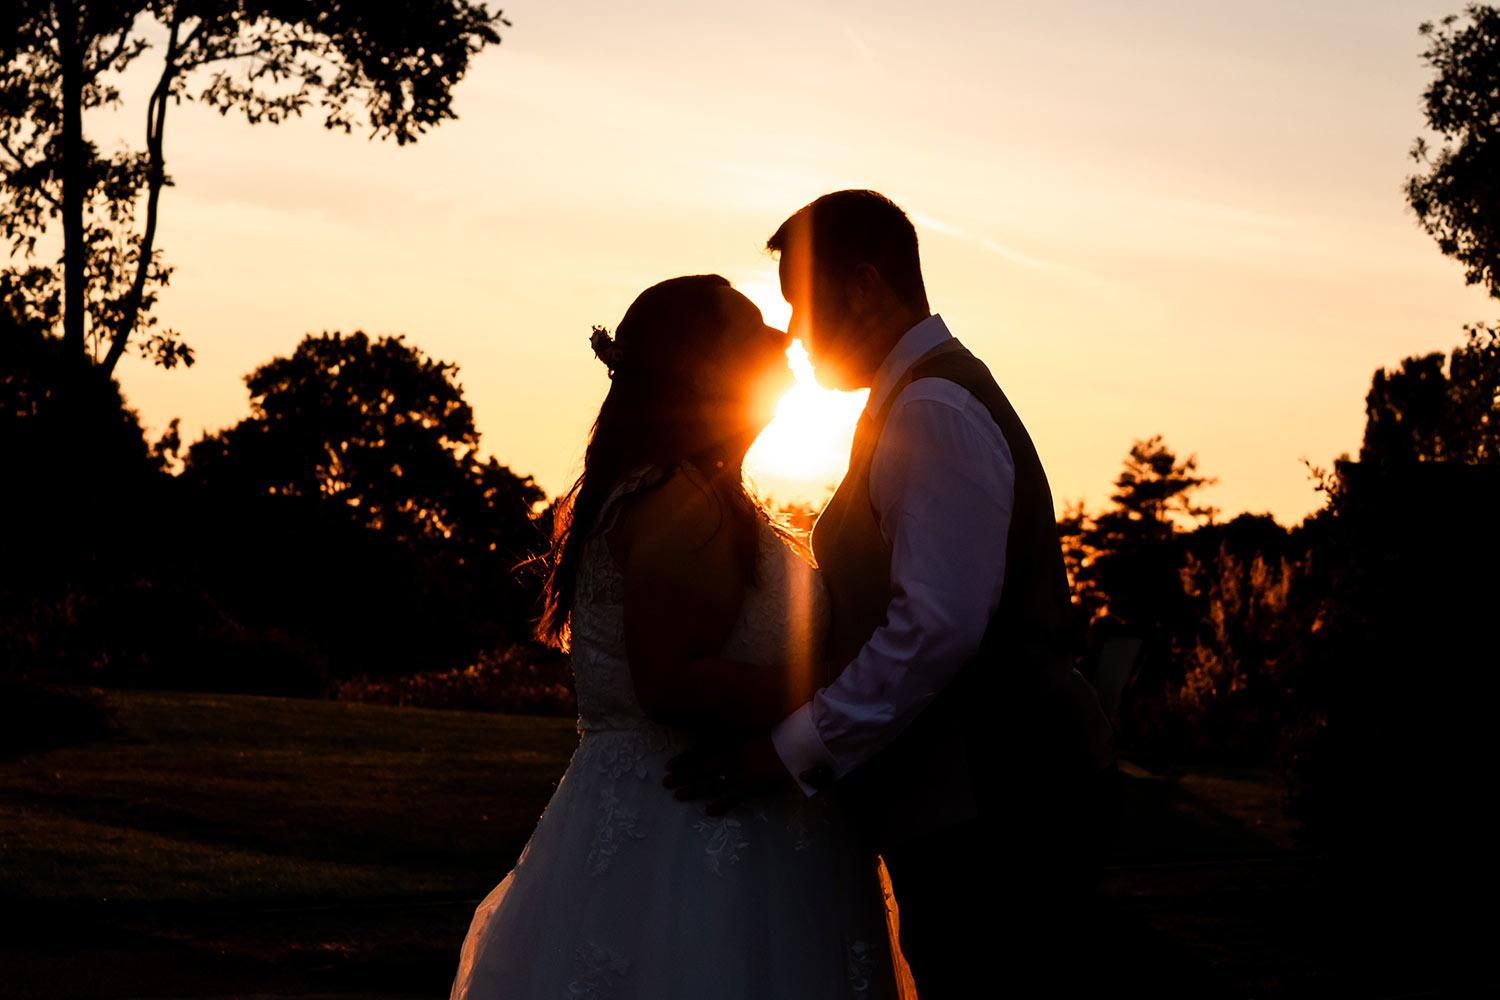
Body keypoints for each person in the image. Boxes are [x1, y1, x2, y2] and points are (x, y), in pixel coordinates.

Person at [667, 191, 1118, 997]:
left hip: (992, 803)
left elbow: (934, 630)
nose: (796, 336)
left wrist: (790, 747)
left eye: (803, 307)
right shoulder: (915, 398)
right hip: (972, 798)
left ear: (865, 285)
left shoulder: (934, 407)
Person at [449, 274, 899, 1000]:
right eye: (753, 327)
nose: (782, 337)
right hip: (694, 842)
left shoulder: (677, 490)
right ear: (701, 368)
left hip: (693, 821)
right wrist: (846, 677)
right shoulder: (678, 502)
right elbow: (671, 681)